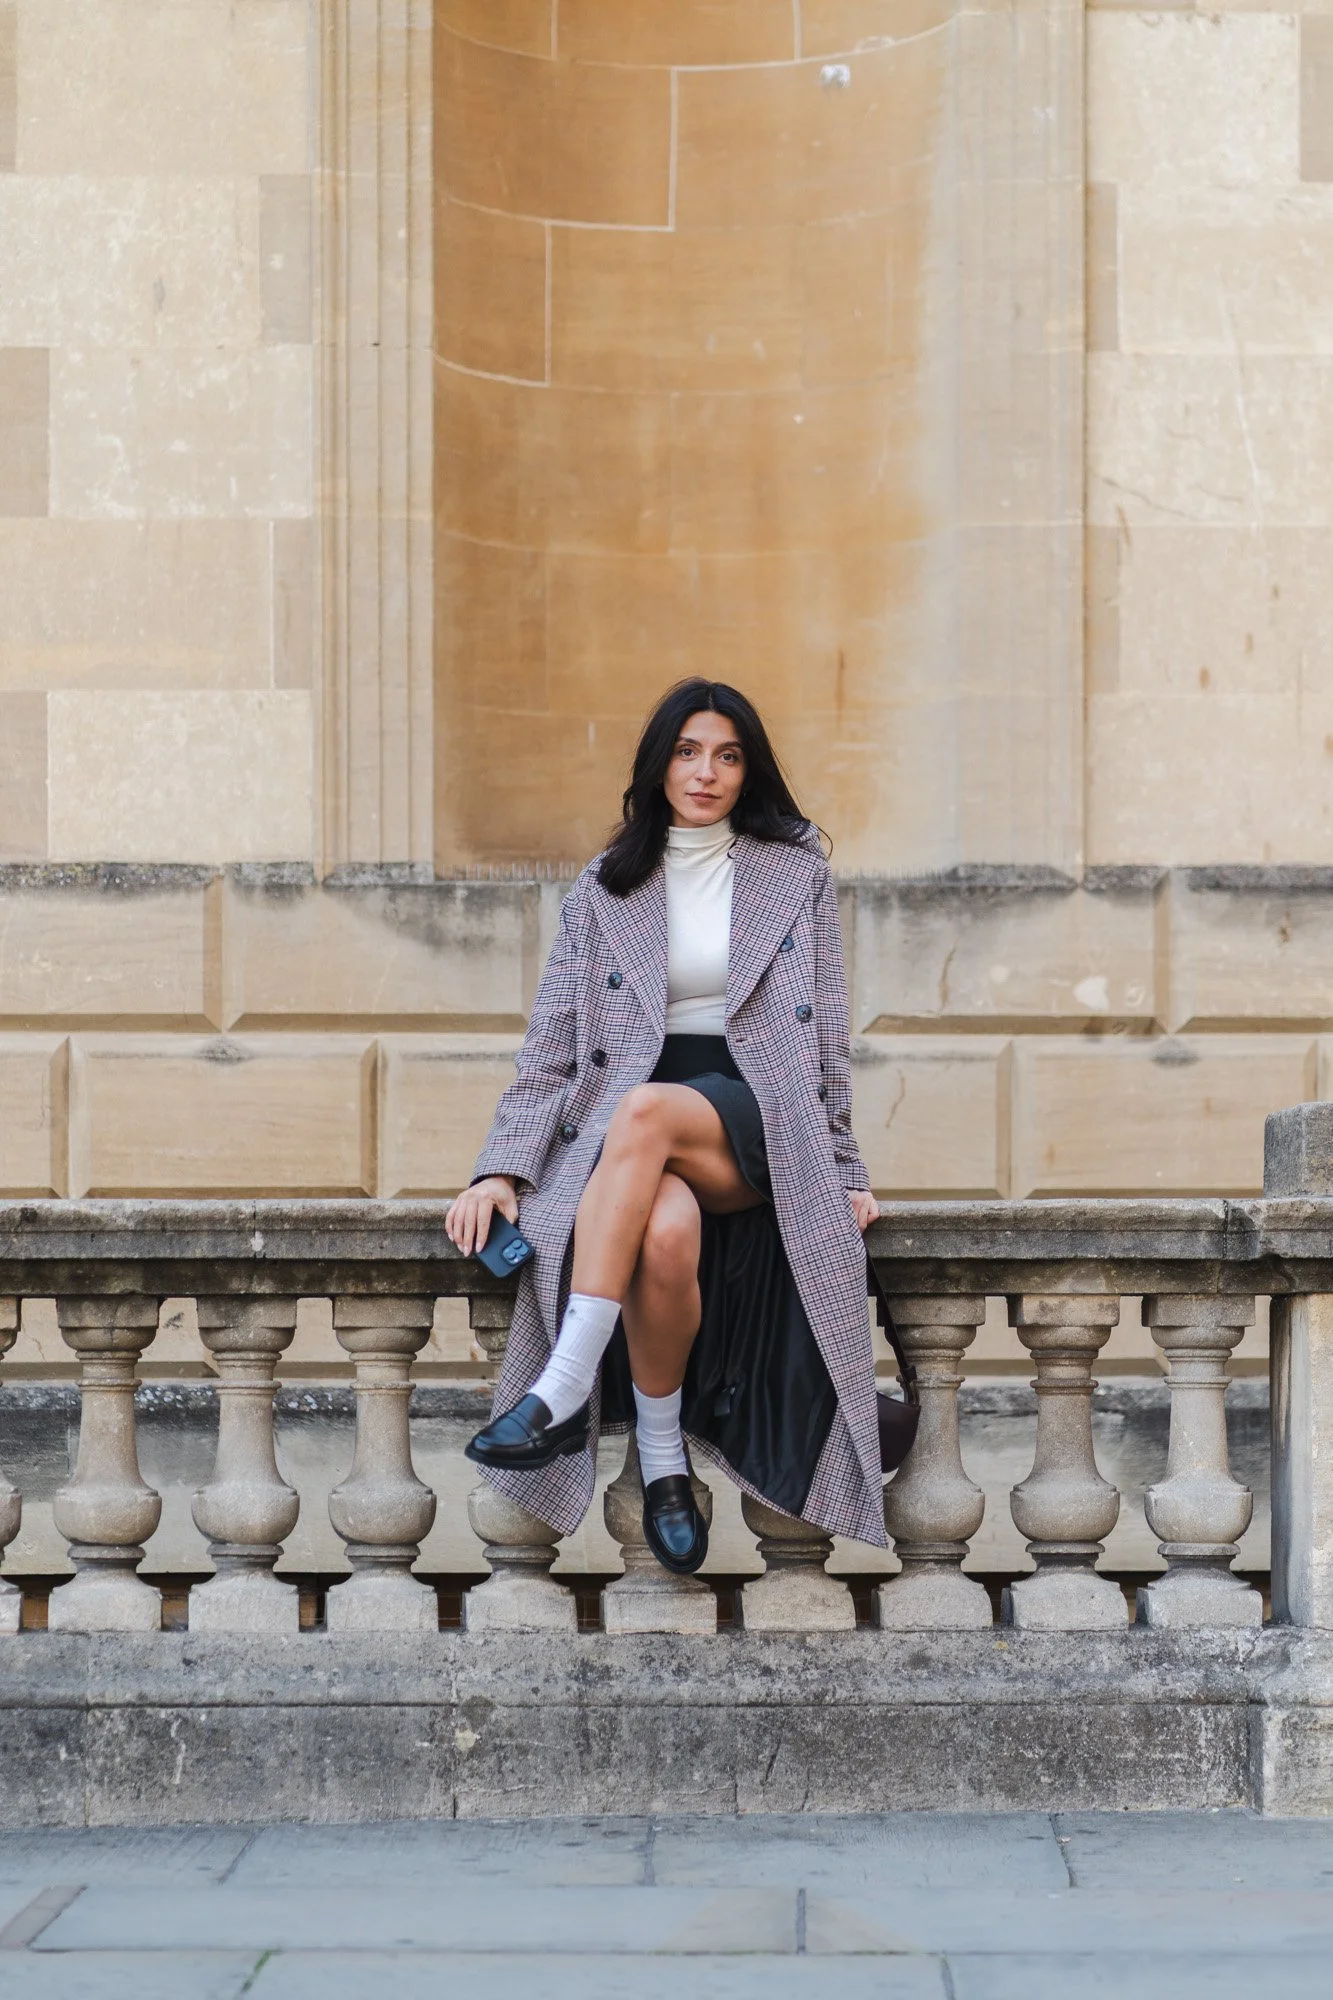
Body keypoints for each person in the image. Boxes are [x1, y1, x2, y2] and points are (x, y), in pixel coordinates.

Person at [446, 679, 885, 1574]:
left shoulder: (792, 871)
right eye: (688, 752)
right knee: (667, 1233)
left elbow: (826, 1034)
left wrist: (842, 1169)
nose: (707, 772)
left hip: (756, 1111)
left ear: (747, 769)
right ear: (658, 766)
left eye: (727, 755)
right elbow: (553, 1047)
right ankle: (660, 1464)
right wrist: (502, 1169)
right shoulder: (606, 887)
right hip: (634, 1135)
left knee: (643, 1112)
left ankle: (562, 1384)